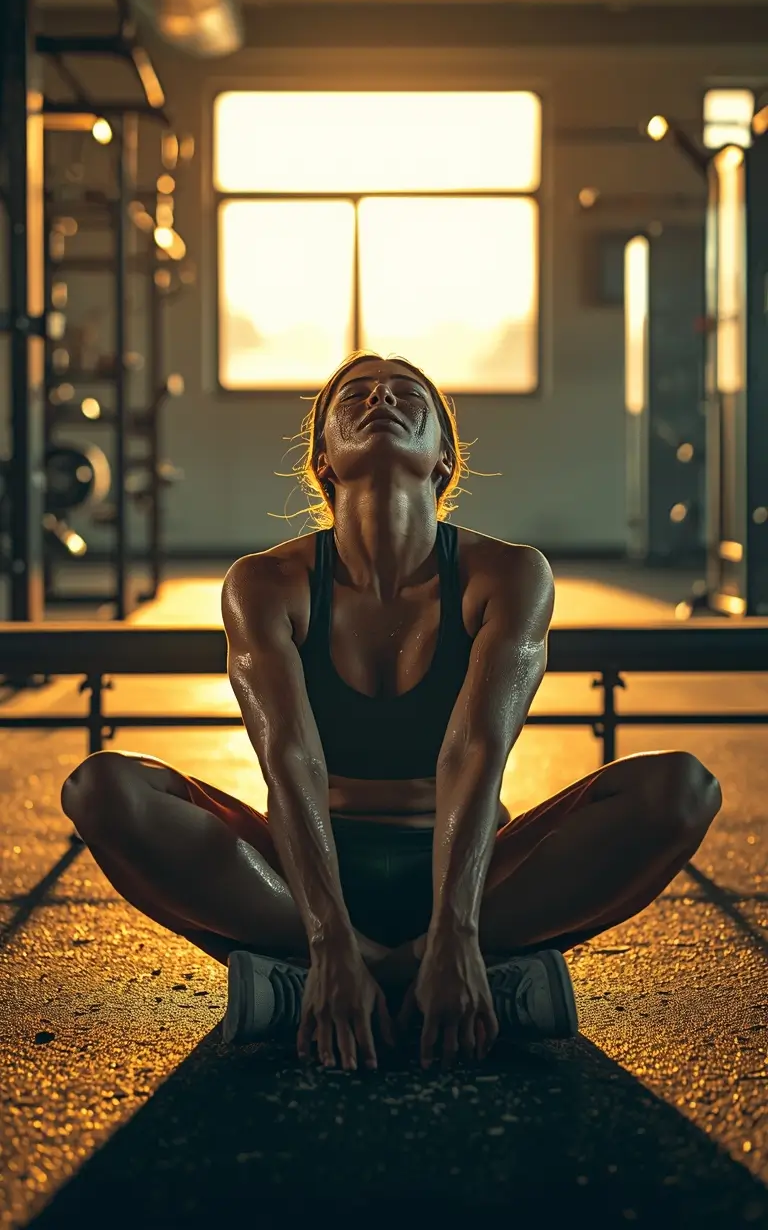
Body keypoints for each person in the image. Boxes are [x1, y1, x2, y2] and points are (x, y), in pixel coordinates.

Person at [61, 351, 723, 1073]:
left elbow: (475, 751)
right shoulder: (265, 583)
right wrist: (328, 935)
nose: (382, 396)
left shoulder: (507, 575)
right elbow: (291, 760)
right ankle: (421, 977)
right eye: (358, 393)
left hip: (472, 874)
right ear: (324, 460)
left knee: (680, 789)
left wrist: (456, 928)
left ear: (443, 458)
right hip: (301, 875)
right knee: (103, 788)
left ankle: (329, 981)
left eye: (408, 392)